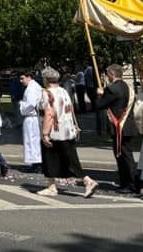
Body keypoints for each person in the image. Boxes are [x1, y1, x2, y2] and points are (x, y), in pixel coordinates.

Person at [35, 67, 97, 197]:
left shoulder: (47, 93)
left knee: (50, 158)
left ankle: (56, 186)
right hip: (68, 129)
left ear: (46, 79)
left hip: (55, 130)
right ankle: (54, 185)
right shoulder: (63, 91)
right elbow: (71, 109)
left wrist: (45, 133)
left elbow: (49, 114)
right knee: (69, 158)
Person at [95, 64, 140, 194]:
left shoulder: (111, 89)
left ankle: (130, 183)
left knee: (123, 157)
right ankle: (127, 182)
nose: (107, 77)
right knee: (126, 155)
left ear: (112, 74)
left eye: (107, 74)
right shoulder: (128, 87)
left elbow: (100, 105)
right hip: (128, 125)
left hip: (119, 126)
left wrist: (99, 94)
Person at [18, 70, 43, 171]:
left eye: (22, 78)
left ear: (29, 77)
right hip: (33, 117)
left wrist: (22, 106)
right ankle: (36, 162)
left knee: (32, 141)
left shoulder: (32, 88)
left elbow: (31, 104)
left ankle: (36, 164)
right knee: (33, 140)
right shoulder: (33, 86)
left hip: (32, 117)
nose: (21, 81)